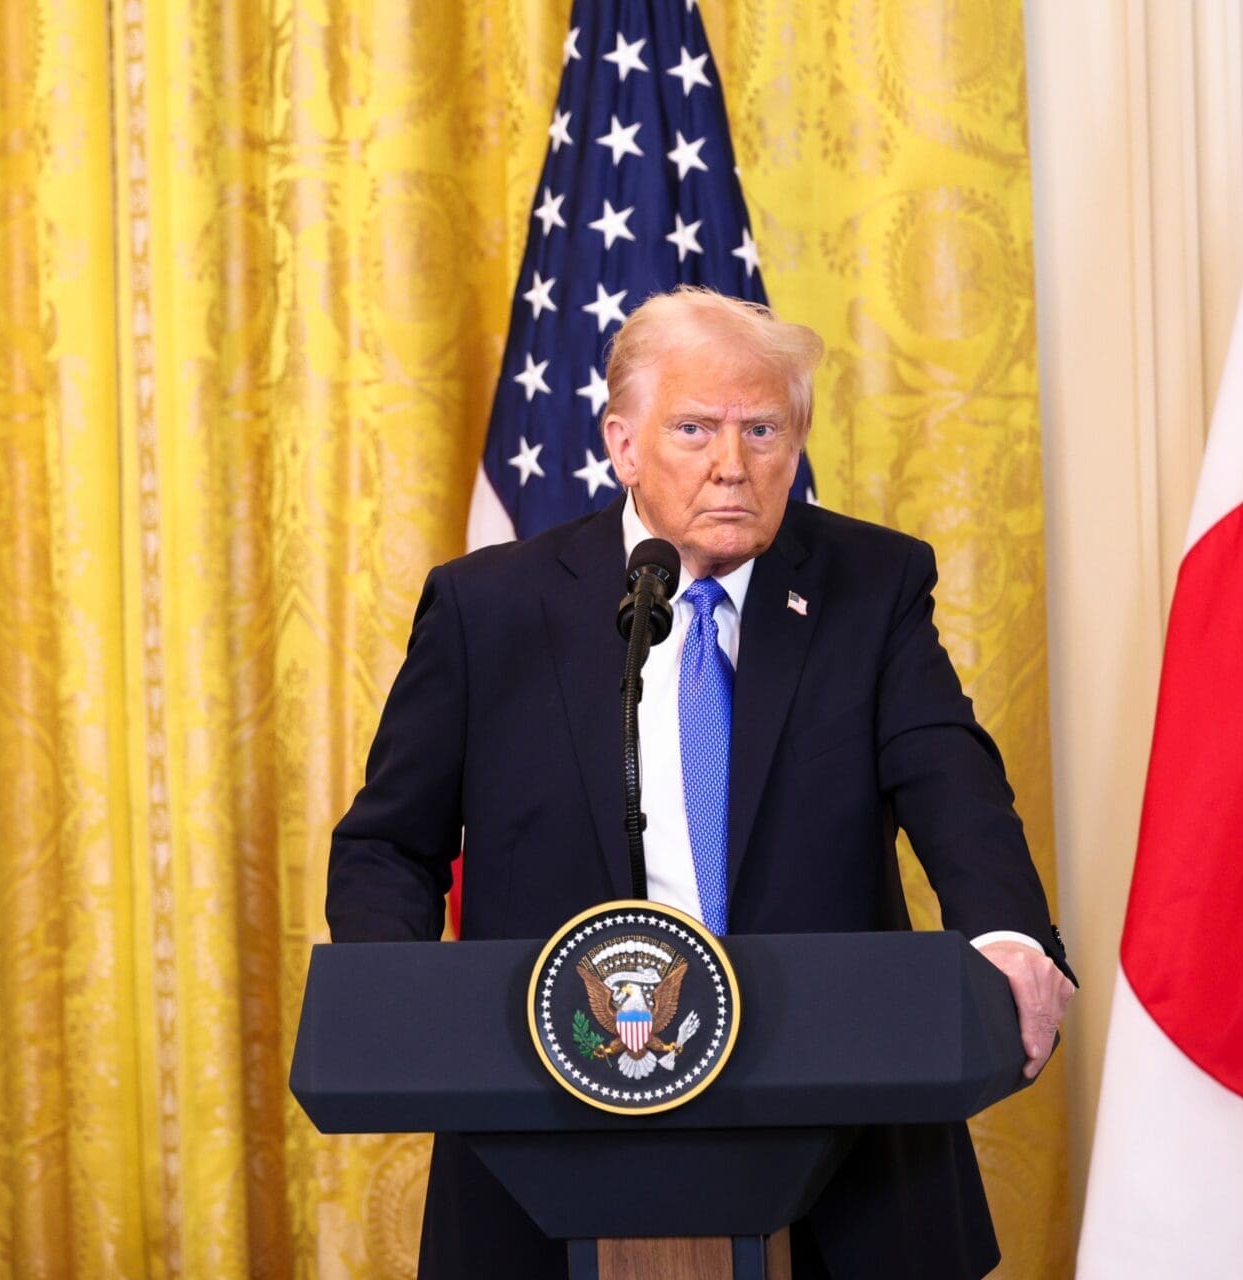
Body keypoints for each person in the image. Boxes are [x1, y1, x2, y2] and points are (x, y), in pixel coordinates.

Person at [325, 287, 1075, 1279]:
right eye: (694, 429)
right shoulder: (490, 608)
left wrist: (1008, 934)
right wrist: (401, 995)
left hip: (841, 1136)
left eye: (762, 428)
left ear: (797, 438)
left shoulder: (872, 583)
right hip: (550, 1122)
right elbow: (391, 840)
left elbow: (953, 783)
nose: (732, 463)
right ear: (623, 444)